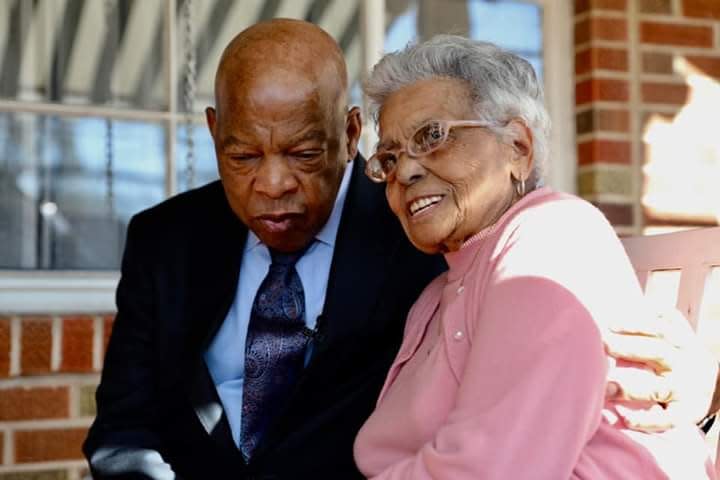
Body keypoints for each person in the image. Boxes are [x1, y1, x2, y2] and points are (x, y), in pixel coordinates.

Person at [83, 20, 718, 479]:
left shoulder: (468, 239)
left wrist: (700, 391)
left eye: (305, 152)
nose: (273, 183)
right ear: (214, 134)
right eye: (243, 155)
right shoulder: (441, 276)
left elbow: (558, 334)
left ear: (348, 133)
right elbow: (125, 427)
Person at [353, 36, 718, 479]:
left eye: (433, 136)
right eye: (388, 159)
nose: (404, 172)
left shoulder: (551, 237)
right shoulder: (436, 292)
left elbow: (495, 470)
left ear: (519, 148)